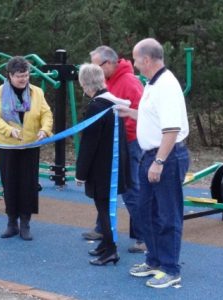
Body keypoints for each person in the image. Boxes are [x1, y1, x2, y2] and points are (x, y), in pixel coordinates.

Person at [115, 38, 189, 288]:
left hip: (165, 156)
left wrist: (159, 161)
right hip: (151, 155)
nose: (134, 65)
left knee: (167, 214)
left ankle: (170, 268)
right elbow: (154, 118)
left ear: (146, 60)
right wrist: (131, 113)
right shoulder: (152, 83)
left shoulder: (166, 84)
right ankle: (154, 260)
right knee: (146, 211)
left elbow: (171, 128)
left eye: (136, 59)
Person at [82, 46, 146, 254]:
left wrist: (119, 135)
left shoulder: (129, 82)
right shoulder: (107, 83)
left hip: (129, 142)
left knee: (130, 189)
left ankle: (143, 236)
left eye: (96, 65)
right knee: (104, 188)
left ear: (108, 64)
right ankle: (103, 228)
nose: (95, 70)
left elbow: (140, 114)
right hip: (114, 143)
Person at [0, 56, 53, 241]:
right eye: (18, 76)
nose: (23, 79)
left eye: (26, 75)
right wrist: (9, 131)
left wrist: (44, 129)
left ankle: (25, 223)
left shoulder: (37, 92)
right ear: (9, 75)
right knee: (9, 184)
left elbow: (46, 113)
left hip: (30, 145)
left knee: (28, 185)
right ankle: (11, 223)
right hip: (7, 145)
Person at [75, 63, 129, 266]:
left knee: (104, 209)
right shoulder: (113, 103)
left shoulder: (96, 106)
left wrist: (81, 173)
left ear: (84, 84)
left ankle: (111, 250)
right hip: (113, 165)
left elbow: (89, 143)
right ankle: (106, 244)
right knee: (104, 208)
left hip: (101, 169)